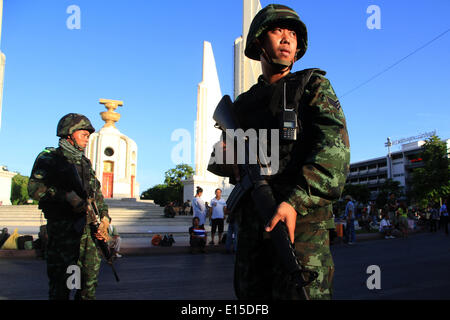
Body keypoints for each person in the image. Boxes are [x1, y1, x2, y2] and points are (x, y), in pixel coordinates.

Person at [208, 4, 349, 300]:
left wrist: (294, 202)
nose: (287, 39)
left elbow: (333, 154)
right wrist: (228, 157)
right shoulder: (242, 106)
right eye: (277, 30)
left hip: (301, 229)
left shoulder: (312, 86)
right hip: (252, 232)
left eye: (293, 34)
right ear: (259, 40)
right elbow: (220, 160)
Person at [27, 113, 110, 300]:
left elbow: (96, 194)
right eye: (84, 135)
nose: (88, 139)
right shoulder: (49, 158)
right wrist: (66, 196)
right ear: (69, 134)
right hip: (64, 232)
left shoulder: (85, 163)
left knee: (88, 286)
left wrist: (104, 219)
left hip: (88, 233)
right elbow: (34, 189)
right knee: (61, 287)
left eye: (89, 136)